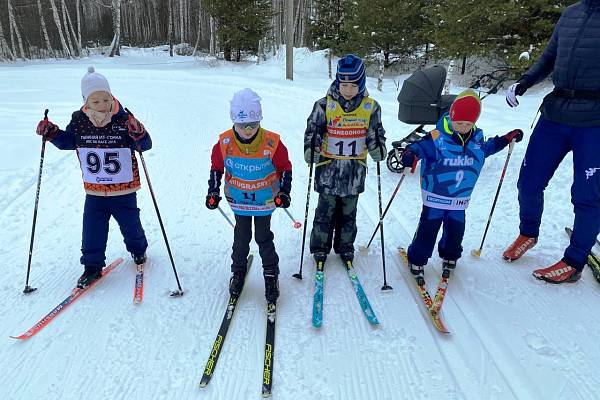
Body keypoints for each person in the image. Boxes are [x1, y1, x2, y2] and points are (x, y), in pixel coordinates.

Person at [503, 0, 600, 283]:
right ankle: (528, 232)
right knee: (529, 181)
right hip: (555, 113)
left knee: (587, 195)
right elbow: (549, 57)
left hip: (594, 122)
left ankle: (574, 261)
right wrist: (524, 82)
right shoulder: (571, 13)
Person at [35, 66, 151, 289]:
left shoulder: (124, 118)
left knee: (130, 224)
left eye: (105, 99)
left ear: (111, 96)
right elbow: (69, 142)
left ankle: (138, 250)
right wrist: (52, 134)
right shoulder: (79, 119)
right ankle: (92, 266)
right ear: (86, 101)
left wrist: (139, 133)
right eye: (95, 101)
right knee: (92, 229)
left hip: (123, 188)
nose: (102, 105)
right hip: (94, 189)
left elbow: (144, 146)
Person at [401, 89, 523, 280]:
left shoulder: (476, 141)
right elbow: (418, 147)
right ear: (451, 117)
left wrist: (506, 139)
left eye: (468, 123)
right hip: (435, 198)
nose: (463, 127)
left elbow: (489, 147)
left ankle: (450, 256)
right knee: (428, 231)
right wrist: (410, 154)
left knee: (456, 232)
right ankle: (417, 258)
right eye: (459, 123)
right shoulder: (436, 138)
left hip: (459, 200)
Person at [206, 88, 292, 304]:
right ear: (233, 120)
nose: (247, 130)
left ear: (259, 120)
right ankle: (238, 271)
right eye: (242, 125)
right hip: (239, 202)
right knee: (241, 238)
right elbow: (216, 168)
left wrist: (284, 192)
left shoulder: (272, 142)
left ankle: (271, 273)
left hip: (264, 201)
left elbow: (285, 168)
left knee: (263, 237)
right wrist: (213, 191)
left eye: (253, 125)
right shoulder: (224, 143)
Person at [303, 54, 387, 265]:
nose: (348, 90)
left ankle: (345, 247)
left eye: (353, 85)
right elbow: (313, 130)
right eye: (344, 84)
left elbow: (376, 132)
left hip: (354, 173)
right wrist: (310, 148)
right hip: (328, 171)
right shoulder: (324, 105)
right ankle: (320, 247)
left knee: (348, 214)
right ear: (337, 82)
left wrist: (378, 148)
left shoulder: (371, 107)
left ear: (361, 83)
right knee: (325, 212)